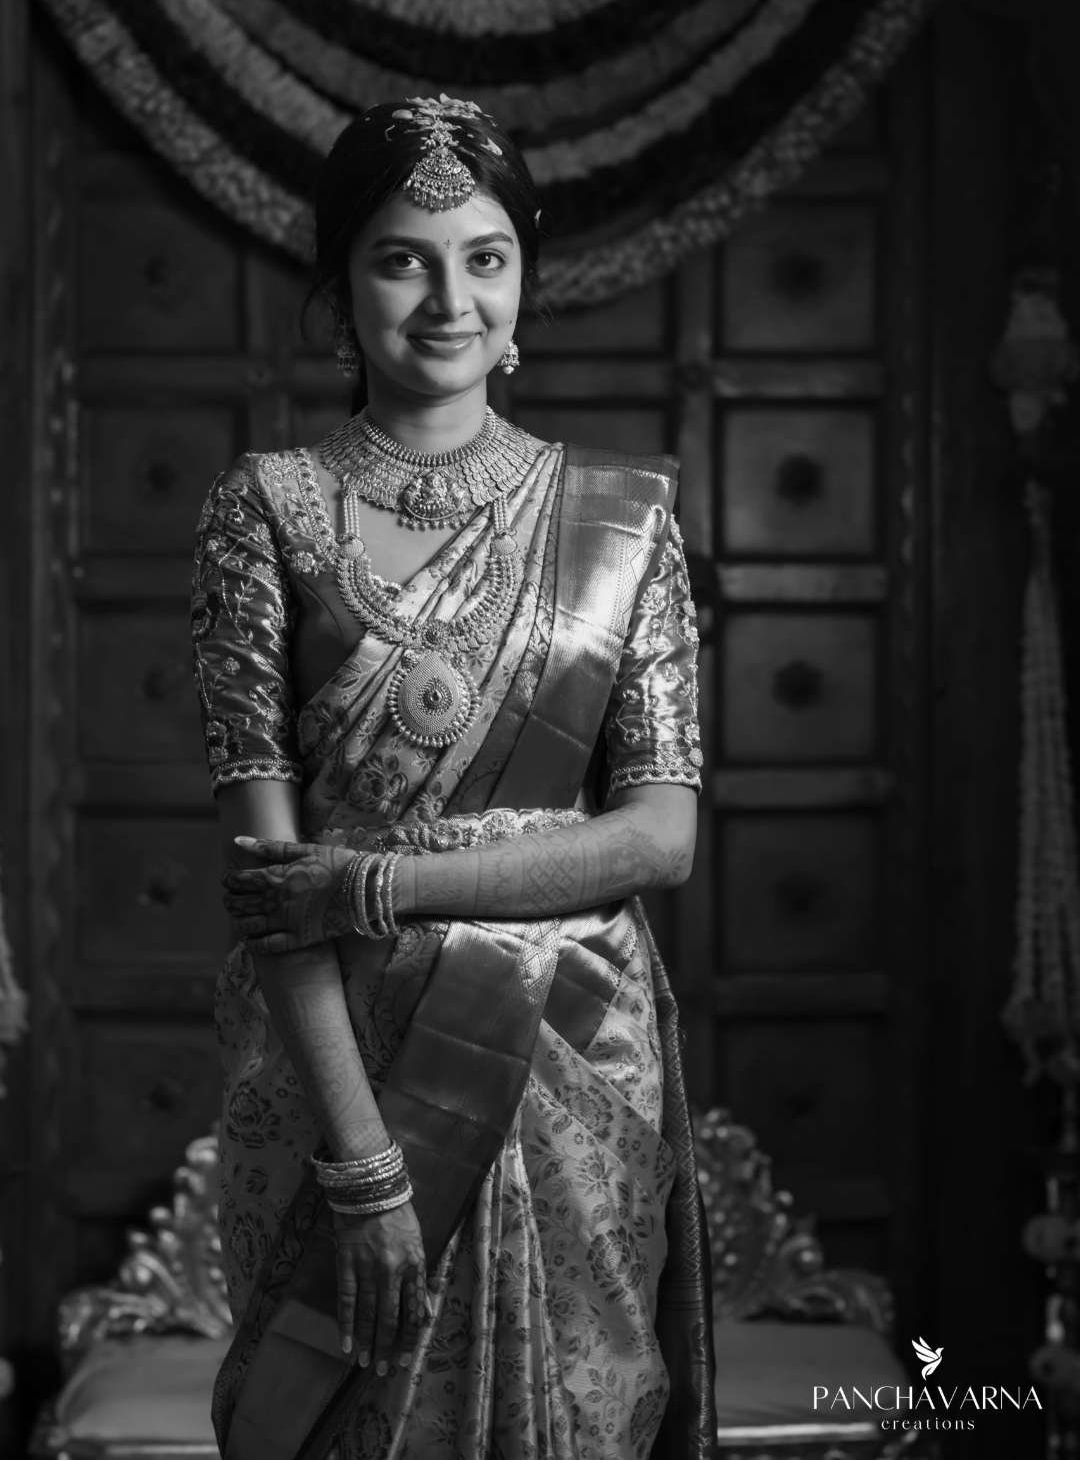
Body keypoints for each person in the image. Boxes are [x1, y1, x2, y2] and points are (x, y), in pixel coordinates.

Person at [191, 93, 717, 1460]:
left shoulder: (624, 522)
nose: (448, 300)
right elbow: (269, 881)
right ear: (340, 287)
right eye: (402, 260)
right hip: (338, 1077)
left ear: (524, 278)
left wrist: (376, 883)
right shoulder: (265, 509)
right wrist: (365, 1161)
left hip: (564, 1050)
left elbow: (658, 839)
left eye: (485, 257)